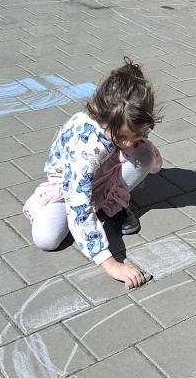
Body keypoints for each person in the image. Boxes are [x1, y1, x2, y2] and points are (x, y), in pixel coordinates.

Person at [23, 59, 163, 288]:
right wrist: (110, 263)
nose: (129, 142)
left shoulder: (122, 120)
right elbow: (78, 202)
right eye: (122, 137)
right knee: (46, 238)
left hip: (103, 176)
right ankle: (78, 218)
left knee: (145, 154)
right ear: (103, 117)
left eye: (137, 134)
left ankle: (111, 204)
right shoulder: (85, 147)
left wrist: (148, 156)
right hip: (69, 188)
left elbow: (147, 157)